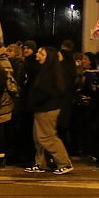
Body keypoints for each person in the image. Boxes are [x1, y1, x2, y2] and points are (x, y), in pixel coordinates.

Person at [24, 46, 73, 175]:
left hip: (47, 109)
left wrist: (34, 101)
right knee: (38, 138)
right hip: (41, 108)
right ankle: (40, 163)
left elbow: (45, 92)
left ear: (49, 57)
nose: (37, 56)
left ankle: (64, 163)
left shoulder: (52, 72)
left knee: (47, 137)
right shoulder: (45, 70)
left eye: (41, 54)